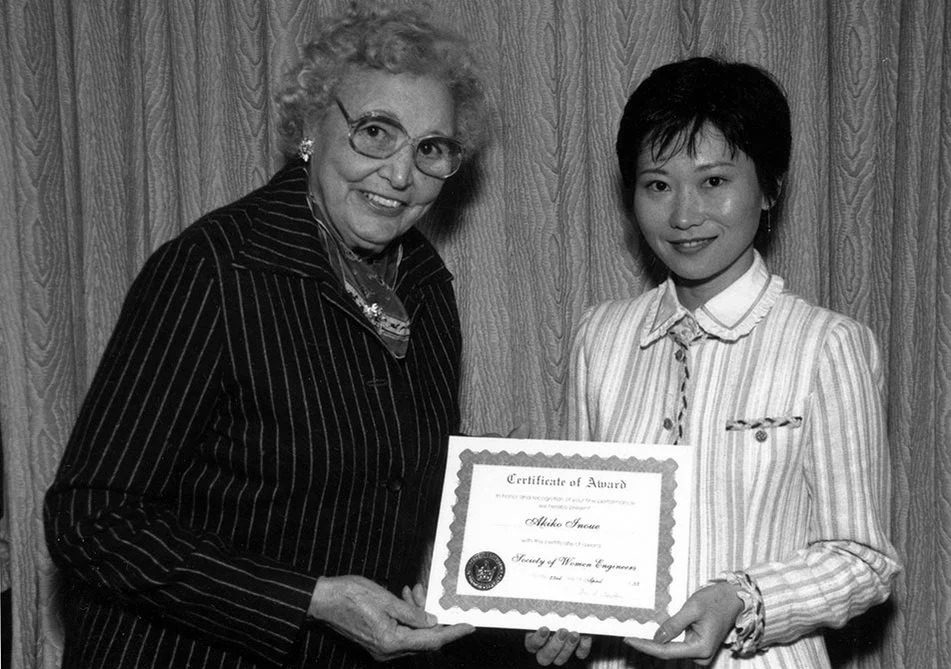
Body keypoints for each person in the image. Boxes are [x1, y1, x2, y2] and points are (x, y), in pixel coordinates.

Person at [43, 2, 488, 667]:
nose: (401, 174)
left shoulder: (423, 283)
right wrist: (305, 599)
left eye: (430, 148)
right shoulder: (214, 270)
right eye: (375, 132)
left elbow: (387, 497)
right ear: (310, 129)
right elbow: (90, 519)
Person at [524, 56, 901, 667]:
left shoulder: (826, 344)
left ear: (770, 188)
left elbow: (862, 560)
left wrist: (742, 600)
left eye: (714, 181)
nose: (683, 215)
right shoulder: (600, 336)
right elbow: (579, 526)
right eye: (657, 184)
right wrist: (563, 608)